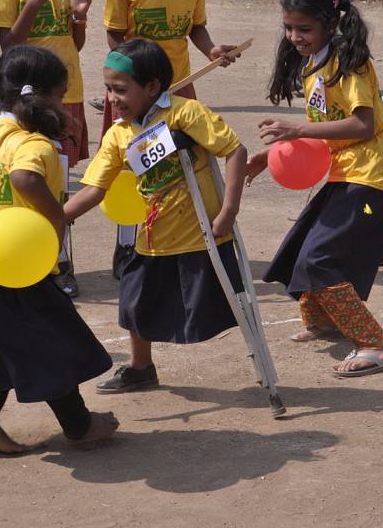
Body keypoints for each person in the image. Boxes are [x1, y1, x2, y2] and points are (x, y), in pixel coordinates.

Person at [0, 45, 118, 453]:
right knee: (48, 343)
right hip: (17, 272)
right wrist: (57, 216)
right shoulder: (32, 144)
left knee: (7, 345)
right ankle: (79, 425)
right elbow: (24, 178)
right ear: (49, 96)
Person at [65, 39, 248, 394]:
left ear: (151, 87)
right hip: (152, 238)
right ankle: (140, 368)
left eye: (121, 89)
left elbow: (234, 149)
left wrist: (229, 209)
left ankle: (261, 363)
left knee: (216, 309)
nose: (112, 98)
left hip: (200, 234)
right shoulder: (118, 134)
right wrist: (56, 218)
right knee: (134, 303)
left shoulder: (185, 113)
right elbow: (94, 189)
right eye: (108, 89)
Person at [246, 0, 383, 377]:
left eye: (304, 29)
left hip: (370, 178)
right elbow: (328, 128)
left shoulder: (349, 62)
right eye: (288, 27)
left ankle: (376, 344)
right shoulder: (316, 62)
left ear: (330, 22)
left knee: (320, 257)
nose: (294, 37)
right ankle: (322, 320)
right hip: (344, 174)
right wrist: (271, 155)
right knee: (302, 247)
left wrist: (296, 131)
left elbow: (363, 124)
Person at [101, 0, 240, 280]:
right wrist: (132, 84)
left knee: (176, 164)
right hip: (136, 90)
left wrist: (212, 51)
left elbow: (196, 26)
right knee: (131, 162)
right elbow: (115, 34)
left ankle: (181, 238)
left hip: (178, 87)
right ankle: (127, 244)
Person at [0, 0, 92, 297]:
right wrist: (34, 1)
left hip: (66, 91)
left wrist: (80, 17)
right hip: (29, 98)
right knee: (32, 177)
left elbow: (75, 43)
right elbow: (9, 45)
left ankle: (59, 259)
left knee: (58, 180)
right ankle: (29, 252)